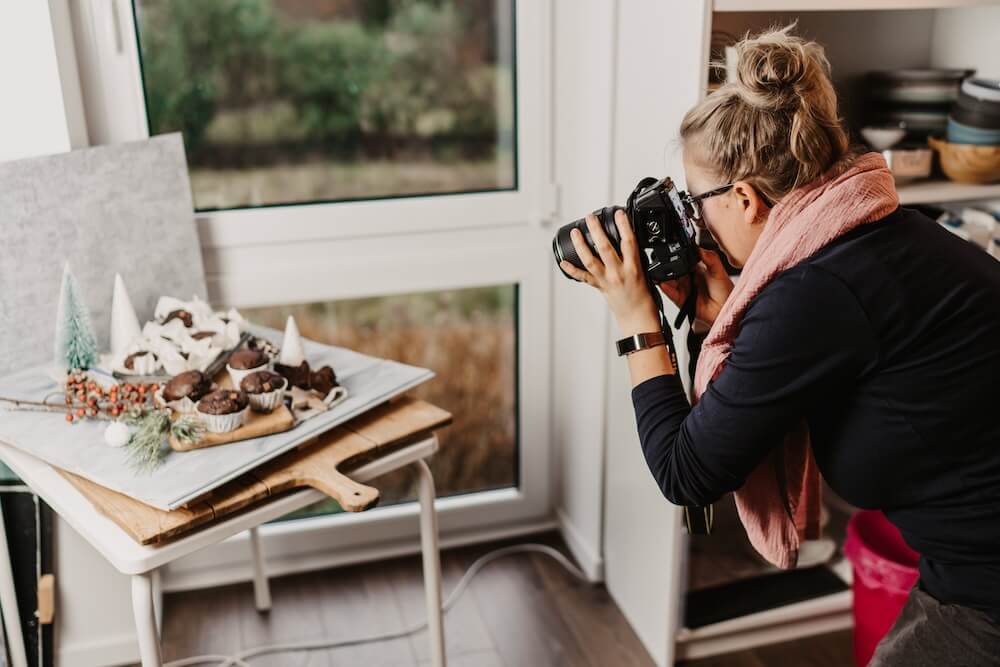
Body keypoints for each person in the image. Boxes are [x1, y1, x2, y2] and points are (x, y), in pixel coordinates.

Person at [558, 25, 1000, 665]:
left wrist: (637, 320)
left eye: (694, 202)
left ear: (743, 197)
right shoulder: (879, 233)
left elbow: (686, 474)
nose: (693, 223)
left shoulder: (812, 293)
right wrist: (722, 321)